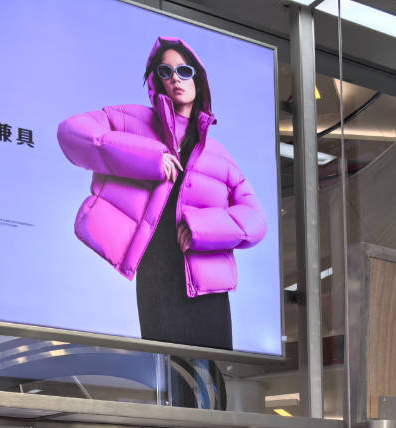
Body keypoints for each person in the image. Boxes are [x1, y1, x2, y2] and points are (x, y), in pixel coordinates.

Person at [58, 37, 268, 351]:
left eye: (184, 71)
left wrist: (202, 229)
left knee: (213, 378)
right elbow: (71, 132)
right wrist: (147, 156)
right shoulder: (132, 121)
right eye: (166, 72)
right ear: (157, 80)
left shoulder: (219, 154)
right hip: (157, 275)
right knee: (165, 372)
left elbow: (256, 221)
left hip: (207, 291)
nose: (175, 79)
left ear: (198, 79)